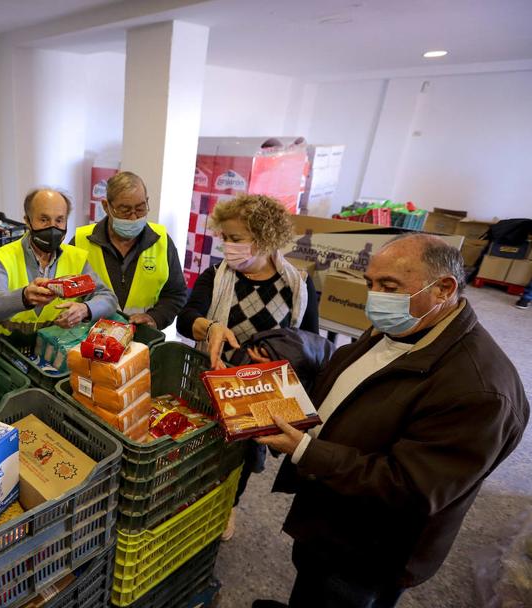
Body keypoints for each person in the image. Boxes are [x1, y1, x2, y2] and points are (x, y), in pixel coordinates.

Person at [253, 234, 529, 608]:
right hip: (330, 507)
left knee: (337, 596)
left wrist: (304, 450)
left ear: (443, 289)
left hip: (369, 548)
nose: (375, 298)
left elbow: (411, 489)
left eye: (389, 286)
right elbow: (362, 384)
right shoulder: (407, 324)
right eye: (371, 284)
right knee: (311, 581)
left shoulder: (478, 391)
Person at [176, 194, 318, 540]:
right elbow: (185, 319)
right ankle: (193, 501)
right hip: (213, 382)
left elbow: (311, 342)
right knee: (204, 448)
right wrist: (210, 328)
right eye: (223, 237)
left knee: (243, 456)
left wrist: (281, 359)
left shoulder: (298, 285)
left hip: (261, 392)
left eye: (236, 239)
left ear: (266, 238)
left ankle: (230, 505)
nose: (227, 246)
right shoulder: (217, 277)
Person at [0, 187, 117, 337]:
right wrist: (23, 297)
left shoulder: (77, 258)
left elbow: (108, 298)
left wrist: (85, 309)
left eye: (59, 220)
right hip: (10, 350)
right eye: (44, 220)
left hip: (57, 351)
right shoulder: (3, 258)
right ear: (27, 221)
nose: (52, 227)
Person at [71, 171, 187, 329]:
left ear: (147, 201)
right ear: (106, 207)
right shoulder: (80, 241)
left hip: (141, 342)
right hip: (87, 340)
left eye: (140, 209)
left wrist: (155, 318)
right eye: (125, 210)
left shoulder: (162, 241)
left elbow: (176, 294)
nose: (133, 218)